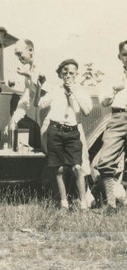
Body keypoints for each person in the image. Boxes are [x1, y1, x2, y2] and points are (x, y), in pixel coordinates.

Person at [36, 59, 93, 210]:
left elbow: (87, 111)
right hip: (55, 130)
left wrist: (73, 91)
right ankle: (63, 203)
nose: (68, 76)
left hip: (72, 132)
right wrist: (39, 87)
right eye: (65, 73)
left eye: (72, 73)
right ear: (61, 74)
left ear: (76, 75)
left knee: (77, 168)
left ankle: (83, 204)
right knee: (59, 169)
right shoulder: (55, 90)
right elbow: (39, 104)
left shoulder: (81, 91)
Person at [96, 40, 127, 209]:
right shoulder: (114, 77)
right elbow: (104, 102)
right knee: (105, 162)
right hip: (118, 118)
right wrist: (115, 89)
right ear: (119, 57)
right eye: (125, 55)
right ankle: (111, 205)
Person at [5, 39, 49, 150]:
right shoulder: (29, 70)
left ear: (30, 50)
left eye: (20, 54)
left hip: (54, 116)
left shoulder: (44, 65)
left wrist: (28, 74)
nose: (19, 58)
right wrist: (14, 120)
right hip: (44, 115)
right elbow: (26, 98)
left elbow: (46, 89)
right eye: (16, 55)